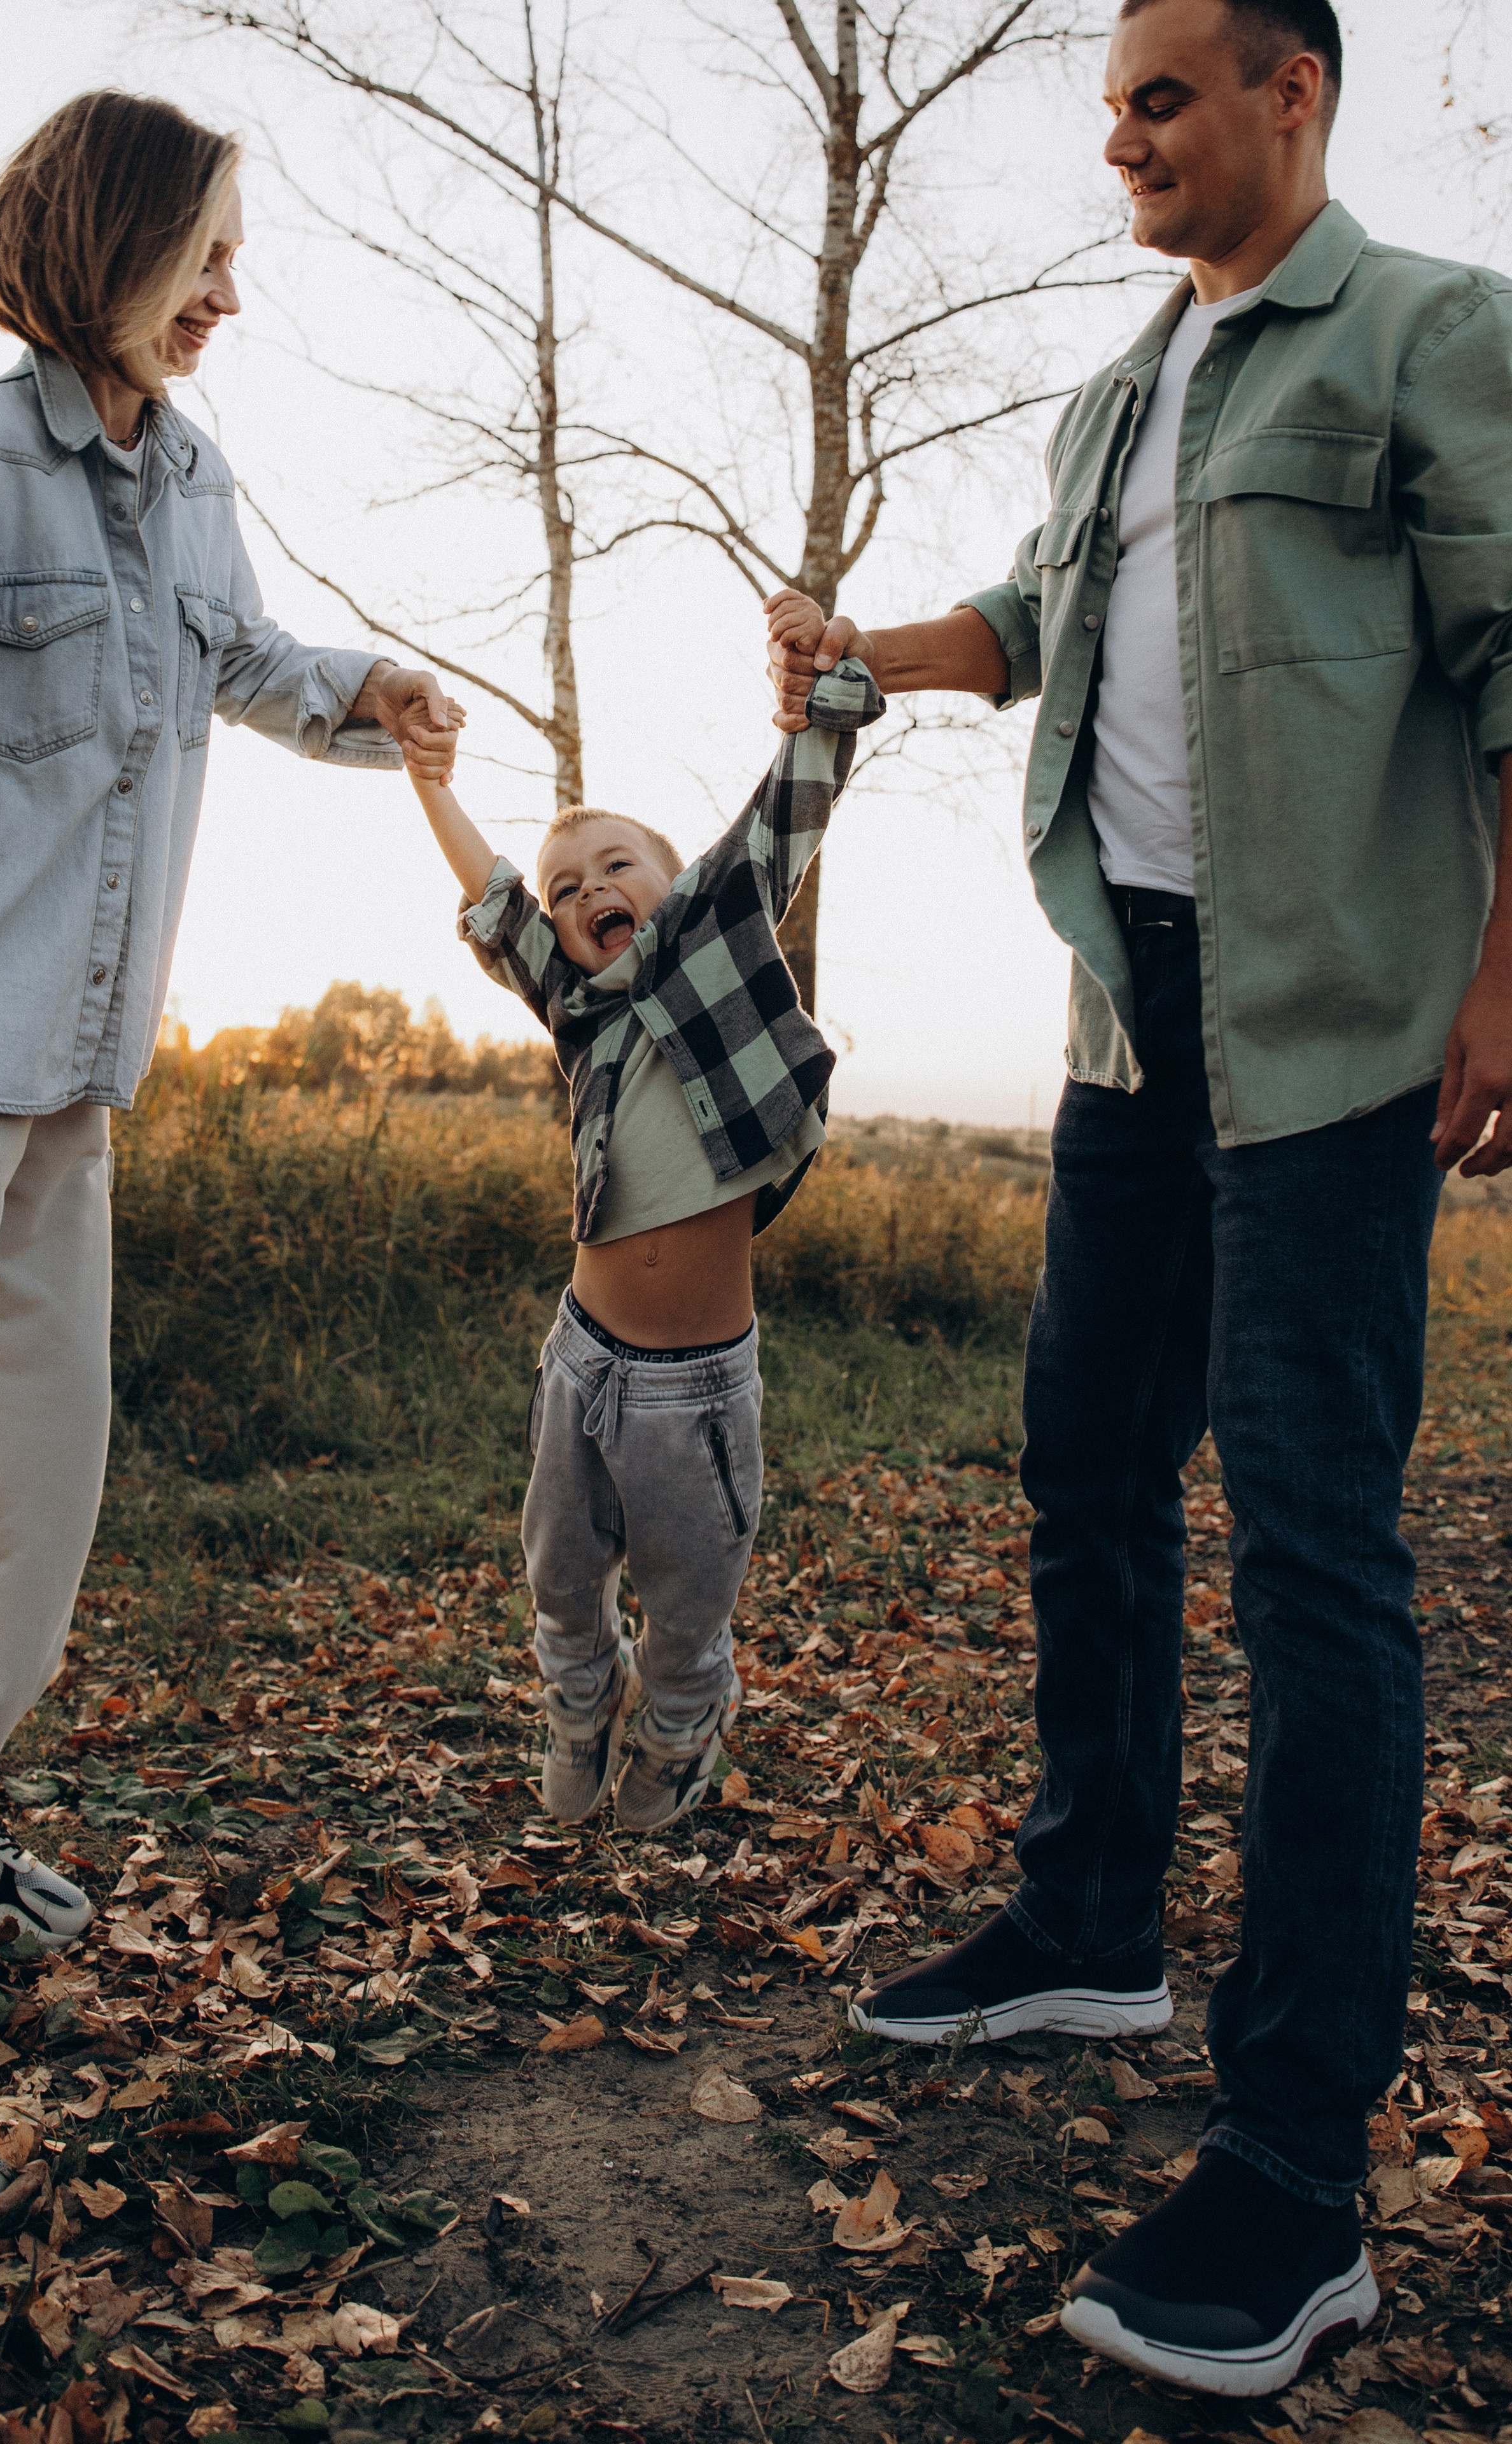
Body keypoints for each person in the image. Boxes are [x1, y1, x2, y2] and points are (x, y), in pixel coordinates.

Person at [767, 0, 1512, 2401]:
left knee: (1313, 1554)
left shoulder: (1429, 330)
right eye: (1107, 105)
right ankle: (1090, 1914)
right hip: (1129, 1018)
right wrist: (863, 654)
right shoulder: (1118, 392)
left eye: (1159, 98)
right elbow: (1034, 630)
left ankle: (1294, 2181)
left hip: (1330, 1035)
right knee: (1087, 1469)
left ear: (1296, 91)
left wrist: (1510, 970)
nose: (1119, 142)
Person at [0, 90, 453, 2224]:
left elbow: (241, 664)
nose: (231, 290)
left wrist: (365, 693)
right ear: (98, 245)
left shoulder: (191, 477)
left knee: (37, 1515)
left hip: (71, 1101)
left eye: (232, 252)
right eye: (200, 248)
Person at [403, 640, 881, 1832]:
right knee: (561, 1574)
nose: (584, 892)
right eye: (568, 892)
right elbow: (496, 897)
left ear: (676, 882)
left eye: (615, 869)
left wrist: (819, 671)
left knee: (688, 1593)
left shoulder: (723, 927)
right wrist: (431, 783)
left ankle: (678, 1727)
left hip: (702, 1392)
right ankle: (580, 1702)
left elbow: (796, 791)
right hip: (584, 1361)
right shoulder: (577, 1011)